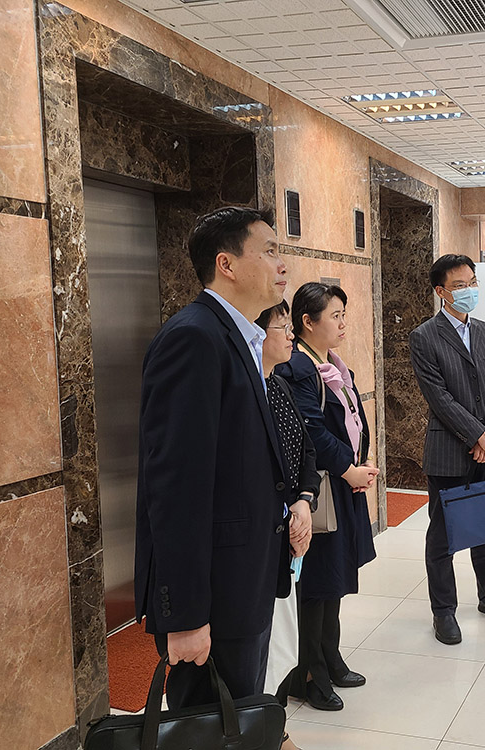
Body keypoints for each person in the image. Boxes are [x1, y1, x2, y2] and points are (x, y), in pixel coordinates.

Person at [134, 206, 311, 709]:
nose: (282, 264)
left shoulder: (240, 337)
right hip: (214, 592)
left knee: (240, 714)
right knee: (209, 724)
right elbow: (175, 487)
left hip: (243, 579)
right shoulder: (194, 337)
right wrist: (186, 615)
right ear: (226, 264)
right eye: (269, 251)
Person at [409, 254, 485, 645]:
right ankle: (443, 611)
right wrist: (477, 435)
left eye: (472, 282)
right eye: (459, 285)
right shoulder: (424, 336)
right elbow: (438, 397)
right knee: (443, 536)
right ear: (441, 292)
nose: (469, 290)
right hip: (449, 451)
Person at [276, 282, 378, 712]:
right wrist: (348, 468)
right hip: (319, 491)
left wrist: (360, 462)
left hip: (341, 483)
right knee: (316, 585)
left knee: (333, 579)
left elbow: (352, 419)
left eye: (343, 314)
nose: (342, 323)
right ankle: (308, 675)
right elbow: (312, 432)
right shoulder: (297, 369)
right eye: (334, 316)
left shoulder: (333, 364)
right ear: (307, 321)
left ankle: (331, 657)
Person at [256, 300, 317, 750]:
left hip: (289, 530)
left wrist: (304, 500)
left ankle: (272, 726)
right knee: (263, 641)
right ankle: (268, 733)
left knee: (282, 639)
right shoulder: (244, 391)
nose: (291, 335)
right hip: (260, 537)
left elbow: (306, 450)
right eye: (282, 326)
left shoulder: (278, 385)